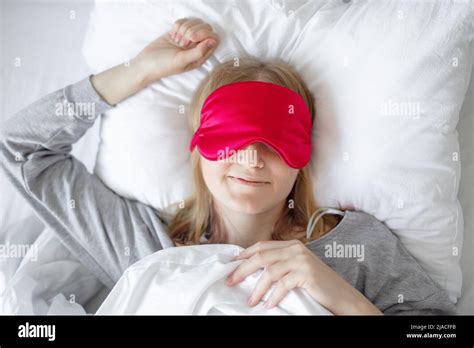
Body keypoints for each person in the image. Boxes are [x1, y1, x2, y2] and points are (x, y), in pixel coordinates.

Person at [0, 17, 456, 315]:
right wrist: (139, 70)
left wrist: (336, 292)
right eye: (232, 138)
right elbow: (19, 147)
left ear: (304, 157)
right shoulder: (141, 244)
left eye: (275, 143)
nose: (252, 159)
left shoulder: (351, 245)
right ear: (196, 146)